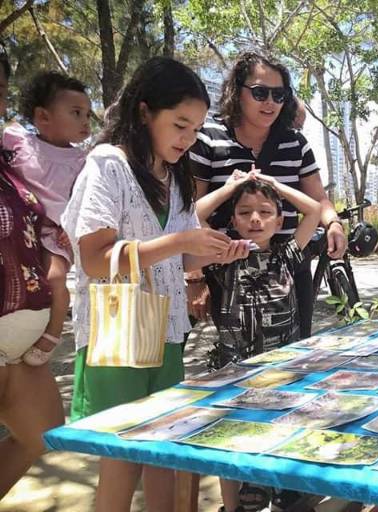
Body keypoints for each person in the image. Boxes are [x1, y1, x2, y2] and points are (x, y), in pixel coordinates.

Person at [61, 57, 248, 512]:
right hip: (116, 336)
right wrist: (181, 240)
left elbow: (179, 255)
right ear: (145, 112)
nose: (187, 139)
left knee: (164, 450)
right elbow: (94, 259)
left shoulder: (175, 177)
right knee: (122, 457)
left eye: (195, 129)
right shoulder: (108, 165)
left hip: (165, 332)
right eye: (179, 124)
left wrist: (217, 251)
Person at [189, 51, 347, 339]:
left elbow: (319, 200)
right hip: (223, 268)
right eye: (261, 93)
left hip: (286, 263)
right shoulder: (209, 137)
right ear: (238, 92)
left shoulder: (295, 143)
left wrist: (333, 223)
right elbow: (188, 211)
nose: (270, 102)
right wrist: (195, 277)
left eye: (279, 94)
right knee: (233, 348)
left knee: (294, 345)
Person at [196, 169, 321, 512]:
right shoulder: (221, 255)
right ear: (233, 219)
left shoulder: (287, 254)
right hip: (234, 371)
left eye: (266, 212)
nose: (255, 219)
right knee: (231, 436)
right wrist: (232, 187)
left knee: (282, 429)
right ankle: (232, 503)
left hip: (284, 370)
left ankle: (282, 487)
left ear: (280, 219)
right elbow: (192, 216)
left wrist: (274, 185)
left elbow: (313, 210)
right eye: (244, 212)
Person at [0, 50, 65, 501]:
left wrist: (55, 256)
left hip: (22, 339)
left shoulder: (12, 160)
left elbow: (43, 225)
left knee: (42, 432)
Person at [2, 71, 91, 365]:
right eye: (76, 113)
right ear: (42, 117)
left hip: (55, 233)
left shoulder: (83, 161)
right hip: (21, 225)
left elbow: (86, 200)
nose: (86, 121)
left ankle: (52, 334)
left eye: (88, 114)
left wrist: (74, 227)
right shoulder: (18, 142)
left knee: (54, 277)